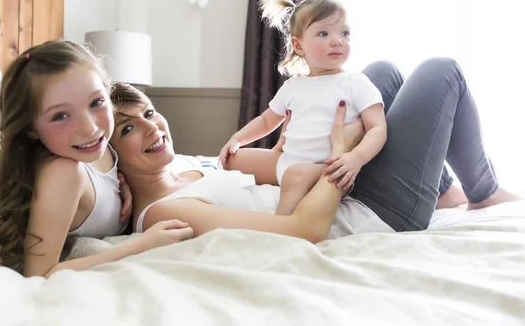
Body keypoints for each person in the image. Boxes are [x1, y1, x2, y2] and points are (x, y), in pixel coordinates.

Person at [110, 56, 520, 239]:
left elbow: (274, 170)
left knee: (378, 74)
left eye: (148, 112)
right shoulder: (164, 211)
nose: (151, 128)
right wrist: (349, 144)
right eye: (128, 129)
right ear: (109, 155)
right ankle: (483, 192)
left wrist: (288, 151)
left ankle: (446, 194)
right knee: (442, 71)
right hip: (372, 213)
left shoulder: (186, 166)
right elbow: (301, 230)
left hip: (341, 185)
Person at [0, 40, 193, 278]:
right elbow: (39, 274)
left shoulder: (96, 145)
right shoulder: (63, 172)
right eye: (61, 115)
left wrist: (123, 181)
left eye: (96, 103)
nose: (89, 127)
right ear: (30, 128)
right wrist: (142, 245)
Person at [219, 0, 387, 215]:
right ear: (298, 46)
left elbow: (377, 127)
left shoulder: (355, 83)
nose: (338, 41)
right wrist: (238, 138)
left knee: (294, 177)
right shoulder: (293, 86)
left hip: (323, 169)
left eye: (345, 33)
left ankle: (282, 226)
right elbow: (267, 120)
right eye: (324, 33)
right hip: (284, 161)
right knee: (230, 160)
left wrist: (356, 158)